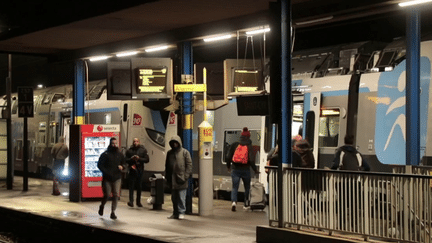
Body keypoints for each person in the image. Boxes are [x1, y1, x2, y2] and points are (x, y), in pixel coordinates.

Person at [227, 127, 259, 211]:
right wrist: (255, 169)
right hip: (245, 169)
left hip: (235, 169)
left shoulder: (235, 145)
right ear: (248, 137)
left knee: (235, 187)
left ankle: (234, 202)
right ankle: (245, 204)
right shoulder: (249, 146)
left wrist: (228, 166)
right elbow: (251, 159)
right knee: (247, 187)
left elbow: (228, 156)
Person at [97, 137, 126, 220]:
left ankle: (113, 212)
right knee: (107, 195)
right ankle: (102, 206)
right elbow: (100, 165)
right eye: (113, 143)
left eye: (115, 144)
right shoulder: (105, 154)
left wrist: (122, 167)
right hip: (107, 178)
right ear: (110, 144)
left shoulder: (120, 154)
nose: (114, 145)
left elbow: (124, 163)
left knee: (116, 194)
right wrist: (106, 172)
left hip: (117, 177)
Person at [165, 135, 192, 220]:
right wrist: (167, 176)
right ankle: (175, 212)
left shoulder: (185, 152)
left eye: (176, 142)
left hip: (181, 179)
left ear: (179, 143)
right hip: (172, 179)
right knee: (174, 198)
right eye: (173, 143)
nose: (174, 144)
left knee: (181, 197)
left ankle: (181, 212)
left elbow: (189, 165)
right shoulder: (169, 153)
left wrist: (186, 176)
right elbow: (166, 165)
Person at [125, 138, 149, 207]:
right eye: (134, 141)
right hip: (132, 170)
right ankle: (131, 201)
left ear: (139, 142)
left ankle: (138, 202)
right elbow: (125, 159)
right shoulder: (129, 150)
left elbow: (147, 159)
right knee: (131, 186)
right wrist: (131, 159)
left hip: (140, 170)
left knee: (139, 186)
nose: (135, 143)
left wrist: (139, 159)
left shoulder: (143, 150)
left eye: (137, 141)